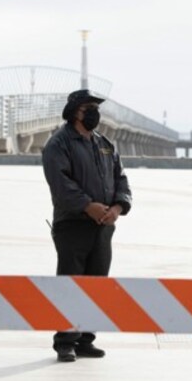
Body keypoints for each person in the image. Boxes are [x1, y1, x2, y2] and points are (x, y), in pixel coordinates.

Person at [42, 89, 132, 362]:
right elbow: (61, 184)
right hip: (73, 225)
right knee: (72, 283)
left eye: (96, 107)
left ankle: (85, 339)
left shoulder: (104, 143)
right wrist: (87, 206)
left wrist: (118, 206)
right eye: (88, 108)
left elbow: (121, 178)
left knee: (97, 285)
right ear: (73, 112)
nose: (94, 113)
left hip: (103, 227)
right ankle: (65, 341)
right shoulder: (59, 144)